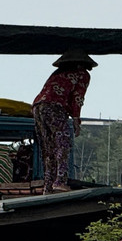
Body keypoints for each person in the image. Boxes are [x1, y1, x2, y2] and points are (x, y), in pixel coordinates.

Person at [32, 49, 96, 193]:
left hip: (38, 107)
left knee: (48, 148)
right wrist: (76, 120)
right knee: (63, 144)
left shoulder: (58, 73)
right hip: (55, 107)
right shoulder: (83, 74)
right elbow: (77, 98)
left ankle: (48, 185)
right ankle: (59, 181)